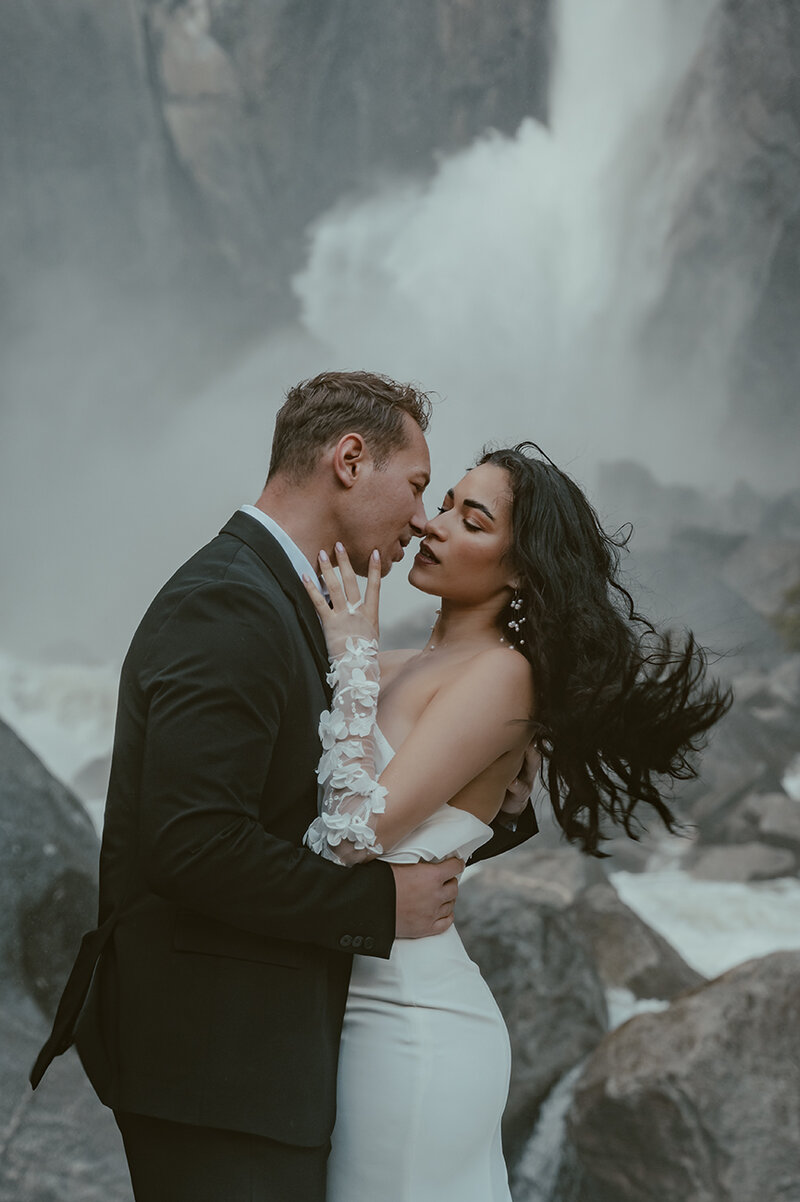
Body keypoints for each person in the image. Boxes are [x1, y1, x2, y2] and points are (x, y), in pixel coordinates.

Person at [29, 372, 538, 1202]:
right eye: (418, 487)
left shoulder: (288, 595)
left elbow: (316, 798)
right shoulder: (232, 601)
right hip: (216, 1062)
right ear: (347, 460)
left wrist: (487, 799)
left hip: (265, 1061)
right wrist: (384, 909)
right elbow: (194, 845)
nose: (422, 519)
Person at [300, 441, 732, 1202]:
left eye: (471, 520)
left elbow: (349, 834)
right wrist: (360, 658)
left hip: (412, 1030)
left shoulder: (501, 675)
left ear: (521, 570)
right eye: (443, 506)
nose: (433, 527)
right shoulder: (398, 662)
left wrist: (353, 655)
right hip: (349, 1009)